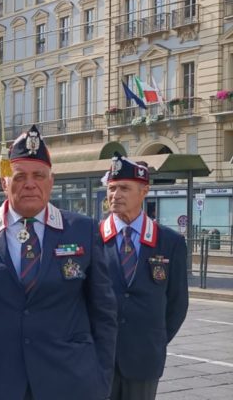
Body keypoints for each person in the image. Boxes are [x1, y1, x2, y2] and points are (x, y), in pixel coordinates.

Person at [0, 125, 117, 400]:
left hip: (68, 381)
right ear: (4, 182)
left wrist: (100, 380)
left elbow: (104, 313)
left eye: (38, 175)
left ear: (51, 181)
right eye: (20, 176)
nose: (30, 184)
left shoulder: (83, 230)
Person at [100, 153, 189, 400]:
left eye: (124, 188)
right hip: (99, 357)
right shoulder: (92, 237)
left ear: (144, 191)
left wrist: (154, 340)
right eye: (112, 188)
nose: (115, 195)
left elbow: (177, 303)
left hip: (144, 359)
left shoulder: (170, 242)